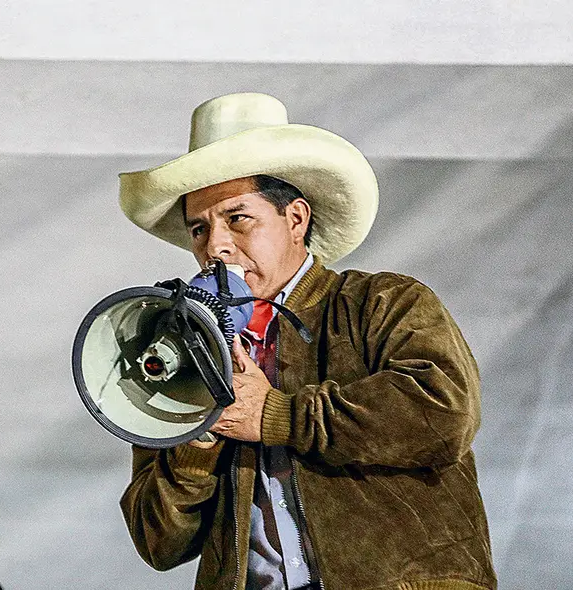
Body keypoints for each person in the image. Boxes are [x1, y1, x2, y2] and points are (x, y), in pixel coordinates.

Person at [116, 93, 496, 590]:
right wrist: (196, 443)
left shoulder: (382, 302)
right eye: (198, 228)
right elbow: (158, 544)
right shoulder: (182, 351)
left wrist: (274, 415)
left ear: (296, 219)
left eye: (238, 217)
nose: (215, 246)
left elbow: (445, 412)